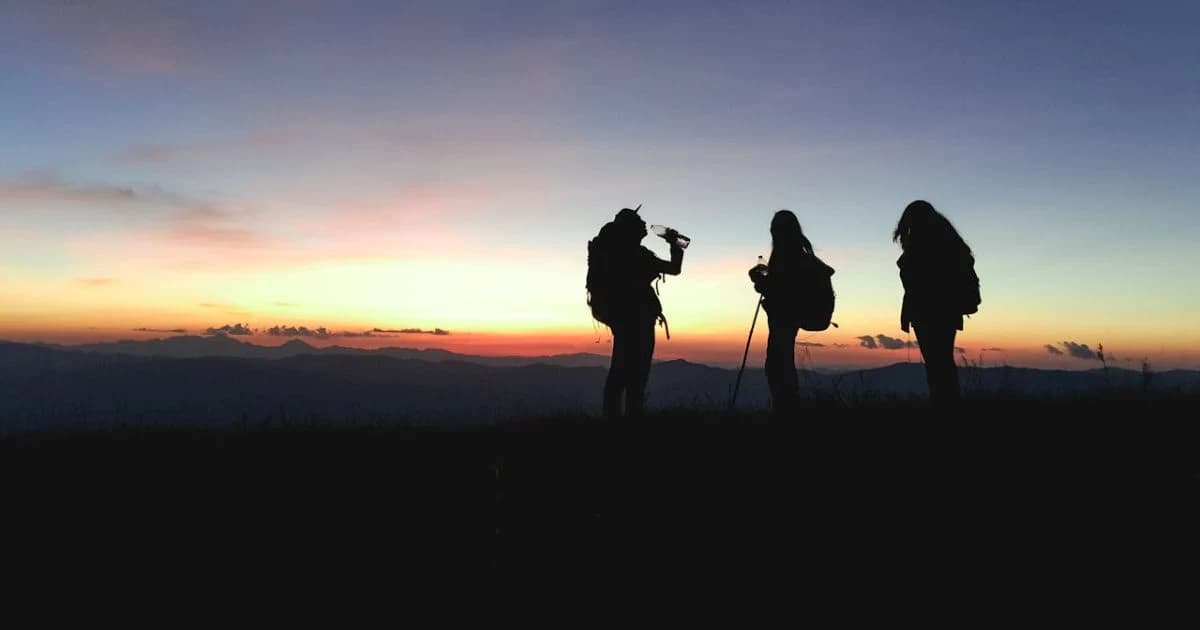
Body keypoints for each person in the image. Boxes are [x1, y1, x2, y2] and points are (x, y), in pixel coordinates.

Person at [589, 207, 685, 417]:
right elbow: (674, 269)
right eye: (639, 222)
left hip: (622, 317)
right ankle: (632, 417)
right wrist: (675, 243)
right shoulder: (636, 254)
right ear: (630, 229)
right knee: (637, 372)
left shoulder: (615, 253)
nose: (644, 225)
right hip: (638, 318)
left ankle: (613, 416)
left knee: (621, 369)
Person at [893, 200, 979, 404]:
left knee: (936, 364)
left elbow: (916, 282)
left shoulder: (922, 244)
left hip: (928, 312)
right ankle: (947, 401)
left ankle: (943, 402)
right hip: (947, 311)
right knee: (942, 362)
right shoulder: (947, 241)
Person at [748, 210, 832, 414]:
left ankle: (786, 411)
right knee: (780, 362)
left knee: (778, 364)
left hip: (785, 318)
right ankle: (787, 409)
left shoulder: (789, 258)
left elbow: (784, 292)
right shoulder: (799, 257)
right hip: (790, 316)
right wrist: (763, 283)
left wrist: (759, 282)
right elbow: (783, 289)